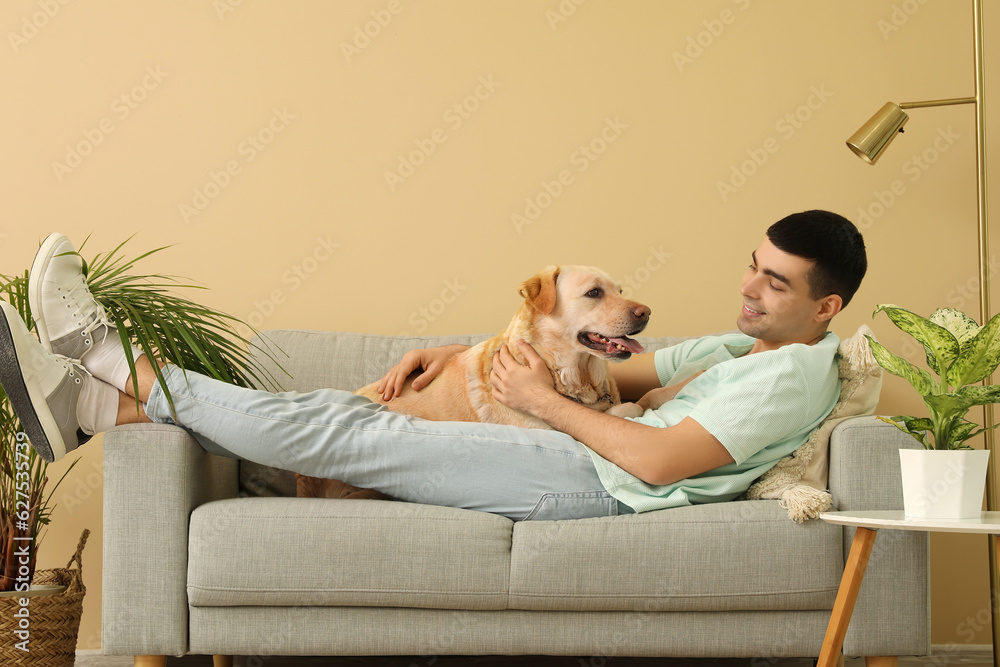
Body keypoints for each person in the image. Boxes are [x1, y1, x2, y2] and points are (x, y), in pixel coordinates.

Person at [0, 210, 866, 521]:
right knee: (330, 433)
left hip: (601, 484)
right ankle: (90, 404)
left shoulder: (793, 374)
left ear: (826, 308)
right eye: (752, 263)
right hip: (588, 452)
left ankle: (104, 358)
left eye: (776, 282)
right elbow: (608, 362)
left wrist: (538, 399)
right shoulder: (735, 347)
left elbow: (658, 458)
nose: (749, 288)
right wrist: (465, 354)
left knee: (349, 427)